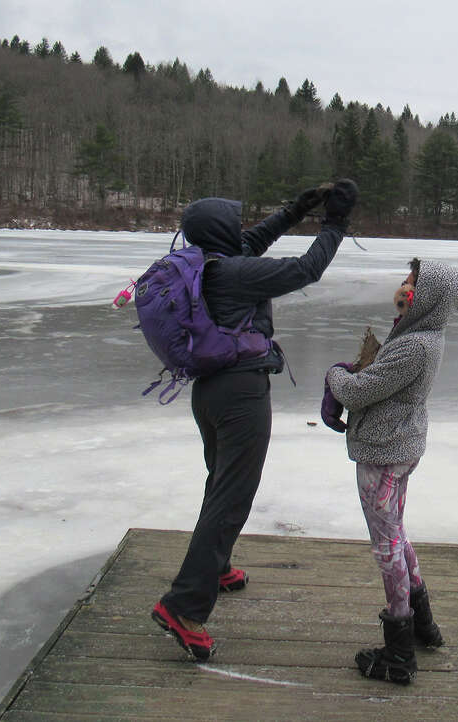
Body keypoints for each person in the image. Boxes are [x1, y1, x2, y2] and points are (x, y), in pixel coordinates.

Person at [150, 179, 359, 660]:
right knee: (232, 498)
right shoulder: (235, 275)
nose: (242, 229)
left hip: (209, 392)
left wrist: (296, 207)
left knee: (219, 483)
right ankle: (182, 607)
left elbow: (255, 239)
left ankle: (214, 566)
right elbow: (307, 268)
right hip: (241, 394)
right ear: (220, 232)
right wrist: (335, 223)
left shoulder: (207, 265)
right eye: (234, 223)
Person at [322, 258, 458, 684]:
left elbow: (358, 391)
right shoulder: (421, 335)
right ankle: (424, 628)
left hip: (385, 451)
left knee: (387, 545)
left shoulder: (414, 345)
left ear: (427, 298)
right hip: (400, 446)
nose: (403, 286)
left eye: (412, 282)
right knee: (397, 535)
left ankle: (399, 653)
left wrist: (335, 375)